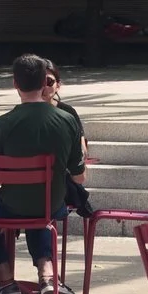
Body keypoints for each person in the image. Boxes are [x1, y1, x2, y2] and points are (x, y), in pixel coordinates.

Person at [0, 54, 85, 294]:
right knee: (40, 208)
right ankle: (47, 275)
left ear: (15, 84)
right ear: (44, 83)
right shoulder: (68, 120)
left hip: (11, 204)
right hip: (52, 204)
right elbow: (78, 178)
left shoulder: (2, 124)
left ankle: (5, 280)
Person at [44, 64, 98, 225]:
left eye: (48, 81)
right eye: (38, 81)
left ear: (58, 85)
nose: (43, 86)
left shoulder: (67, 113)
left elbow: (81, 148)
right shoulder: (22, 114)